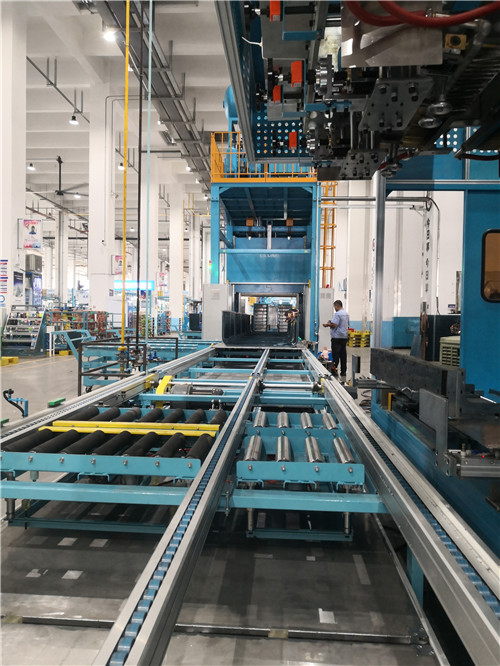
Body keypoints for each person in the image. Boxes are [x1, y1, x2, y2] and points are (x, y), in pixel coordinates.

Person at [323, 299, 349, 379]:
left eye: (334, 307)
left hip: (337, 338)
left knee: (336, 355)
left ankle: (334, 371)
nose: (334, 308)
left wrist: (327, 324)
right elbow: (346, 325)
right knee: (343, 355)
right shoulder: (346, 314)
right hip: (344, 337)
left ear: (337, 306)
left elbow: (335, 325)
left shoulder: (337, 314)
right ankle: (343, 372)